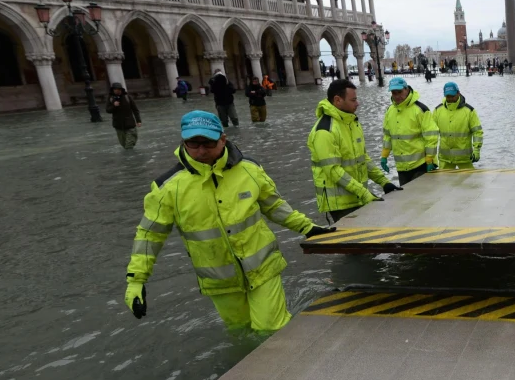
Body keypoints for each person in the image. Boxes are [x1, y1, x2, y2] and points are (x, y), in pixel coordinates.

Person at [123, 110, 334, 333]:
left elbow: (274, 206)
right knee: (241, 332)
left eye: (208, 143)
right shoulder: (167, 188)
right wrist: (136, 280)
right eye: (193, 144)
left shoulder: (250, 170)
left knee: (271, 329)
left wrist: (307, 227)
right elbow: (150, 235)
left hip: (263, 267)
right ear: (183, 141)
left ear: (223, 139)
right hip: (219, 279)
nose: (201, 150)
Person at [308, 78, 398, 223]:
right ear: (337, 100)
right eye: (353, 100)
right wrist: (364, 193)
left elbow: (362, 158)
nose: (358, 103)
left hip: (358, 197)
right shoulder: (324, 131)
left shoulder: (352, 123)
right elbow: (333, 171)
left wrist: (383, 182)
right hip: (340, 203)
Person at [380, 77, 438, 186]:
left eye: (399, 92)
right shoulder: (389, 111)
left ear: (407, 89)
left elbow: (431, 137)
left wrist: (429, 159)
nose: (397, 96)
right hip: (401, 166)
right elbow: (387, 136)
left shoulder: (420, 109)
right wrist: (384, 156)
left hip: (421, 164)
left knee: (422, 199)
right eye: (393, 93)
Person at [433, 81, 483, 169]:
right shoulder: (438, 111)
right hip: (445, 159)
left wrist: (477, 150)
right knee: (444, 183)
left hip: (465, 158)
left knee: (469, 182)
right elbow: (432, 135)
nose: (450, 98)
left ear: (458, 93)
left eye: (453, 96)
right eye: (448, 96)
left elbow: (477, 132)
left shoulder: (469, 111)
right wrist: (431, 157)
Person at [105, 83, 141, 149]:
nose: (117, 91)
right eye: (115, 89)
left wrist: (138, 121)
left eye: (119, 89)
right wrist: (114, 106)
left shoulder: (127, 97)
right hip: (118, 125)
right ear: (113, 90)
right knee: (124, 144)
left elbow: (135, 109)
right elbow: (108, 110)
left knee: (129, 145)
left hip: (130, 124)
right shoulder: (111, 98)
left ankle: (131, 157)